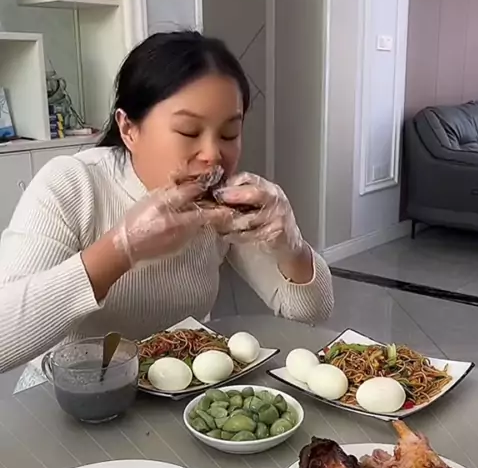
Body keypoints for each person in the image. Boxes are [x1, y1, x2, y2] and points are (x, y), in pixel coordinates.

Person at [0, 30, 334, 372]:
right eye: (189, 131)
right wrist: (121, 249)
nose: (212, 154)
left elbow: (310, 311)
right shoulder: (73, 184)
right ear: (128, 129)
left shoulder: (223, 205)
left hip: (184, 390)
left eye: (229, 133)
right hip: (69, 394)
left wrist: (291, 244)